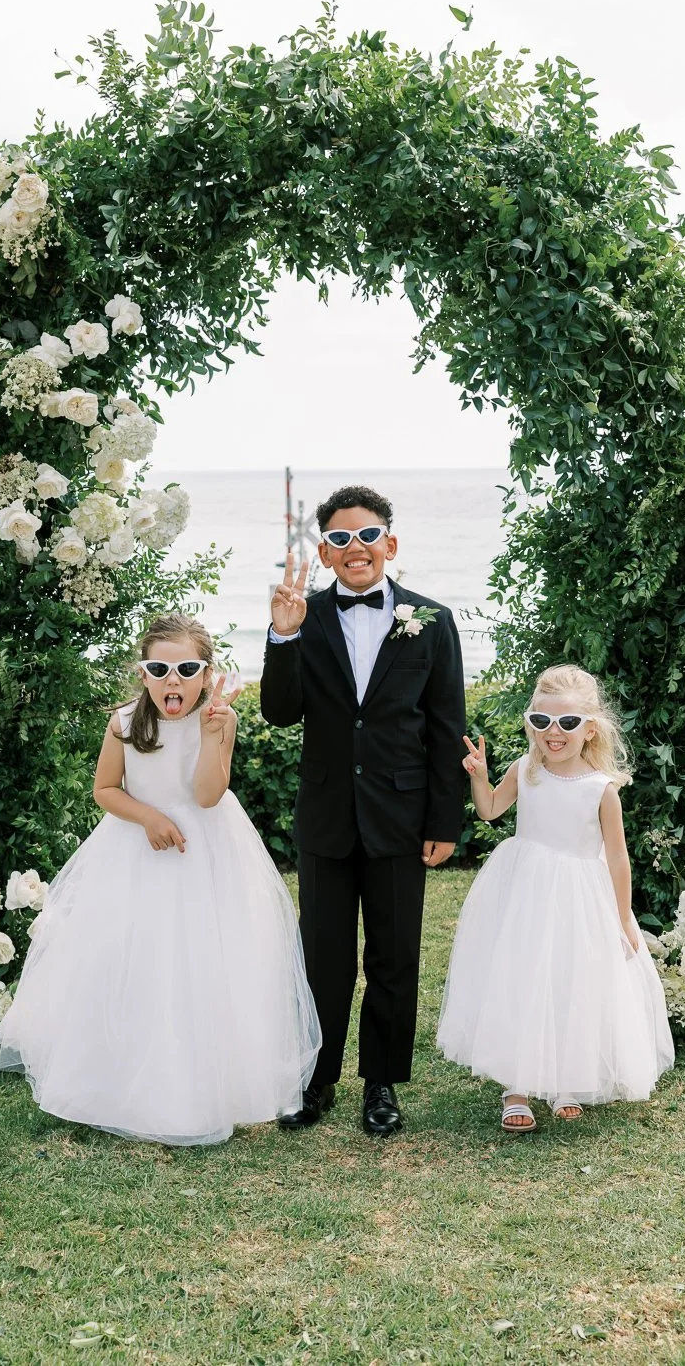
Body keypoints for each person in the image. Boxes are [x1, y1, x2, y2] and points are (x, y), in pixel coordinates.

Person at [0, 613, 320, 1145]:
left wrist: (215, 736)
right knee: (130, 960)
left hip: (205, 853)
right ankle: (117, 1081)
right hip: (134, 856)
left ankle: (199, 1087)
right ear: (143, 673)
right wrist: (148, 817)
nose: (173, 679)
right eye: (160, 668)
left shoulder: (218, 720)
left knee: (201, 966)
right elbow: (106, 789)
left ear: (206, 674)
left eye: (187, 668)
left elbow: (208, 796)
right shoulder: (125, 722)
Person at [260, 485, 466, 1136]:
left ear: (390, 544)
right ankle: (315, 1081)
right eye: (341, 539)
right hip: (325, 815)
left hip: (401, 819)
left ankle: (381, 1084)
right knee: (323, 956)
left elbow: (445, 728)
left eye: (368, 535)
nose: (357, 549)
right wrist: (282, 638)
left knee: (395, 956)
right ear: (324, 552)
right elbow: (278, 711)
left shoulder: (431, 621)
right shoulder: (305, 618)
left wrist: (443, 821)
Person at [437, 663, 674, 1132]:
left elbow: (619, 858)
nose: (553, 732)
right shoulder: (526, 770)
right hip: (524, 891)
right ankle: (517, 1086)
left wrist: (624, 919)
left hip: (580, 901)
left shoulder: (601, 789)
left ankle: (565, 1078)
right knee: (521, 978)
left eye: (566, 723)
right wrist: (479, 775)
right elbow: (488, 811)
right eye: (541, 721)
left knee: (573, 981)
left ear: (589, 730)